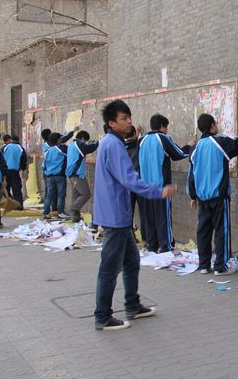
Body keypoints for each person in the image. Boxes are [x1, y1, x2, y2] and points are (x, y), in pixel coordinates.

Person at [93, 99, 176, 331]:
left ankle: (132, 304)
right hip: (115, 216)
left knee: (131, 262)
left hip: (118, 214)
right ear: (112, 123)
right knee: (110, 268)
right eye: (124, 118)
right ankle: (102, 316)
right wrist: (158, 191)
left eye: (129, 117)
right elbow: (129, 178)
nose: (129, 122)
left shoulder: (112, 142)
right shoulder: (113, 145)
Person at [187, 114, 238, 275]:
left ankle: (204, 265)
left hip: (202, 197)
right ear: (212, 125)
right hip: (219, 195)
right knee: (221, 230)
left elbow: (191, 174)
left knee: (203, 231)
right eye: (215, 123)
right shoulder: (220, 142)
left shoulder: (195, 148)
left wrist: (192, 195)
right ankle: (220, 266)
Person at [138, 114, 191, 253]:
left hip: (145, 187)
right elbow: (178, 154)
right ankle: (165, 245)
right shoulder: (163, 138)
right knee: (163, 217)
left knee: (150, 218)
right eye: (166, 127)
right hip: (161, 187)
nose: (167, 130)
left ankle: (152, 245)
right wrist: (189, 147)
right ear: (162, 126)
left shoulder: (141, 140)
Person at [66, 130, 99, 222]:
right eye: (85, 141)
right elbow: (90, 148)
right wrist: (97, 142)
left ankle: (75, 216)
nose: (85, 143)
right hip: (77, 174)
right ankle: (73, 209)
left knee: (76, 194)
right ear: (83, 138)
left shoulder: (71, 145)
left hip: (72, 173)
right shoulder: (78, 145)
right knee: (86, 194)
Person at [42, 132, 69, 219]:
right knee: (61, 195)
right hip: (59, 175)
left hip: (49, 176)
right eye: (60, 138)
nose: (61, 140)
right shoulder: (62, 149)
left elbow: (43, 165)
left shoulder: (47, 151)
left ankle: (46, 213)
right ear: (57, 140)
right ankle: (60, 212)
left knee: (49, 195)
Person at [1, 134, 28, 211]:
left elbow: (0, 159)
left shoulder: (5, 147)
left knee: (5, 188)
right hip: (14, 172)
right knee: (16, 189)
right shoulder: (20, 148)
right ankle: (18, 206)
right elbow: (23, 160)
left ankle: (8, 203)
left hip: (5, 171)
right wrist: (23, 170)